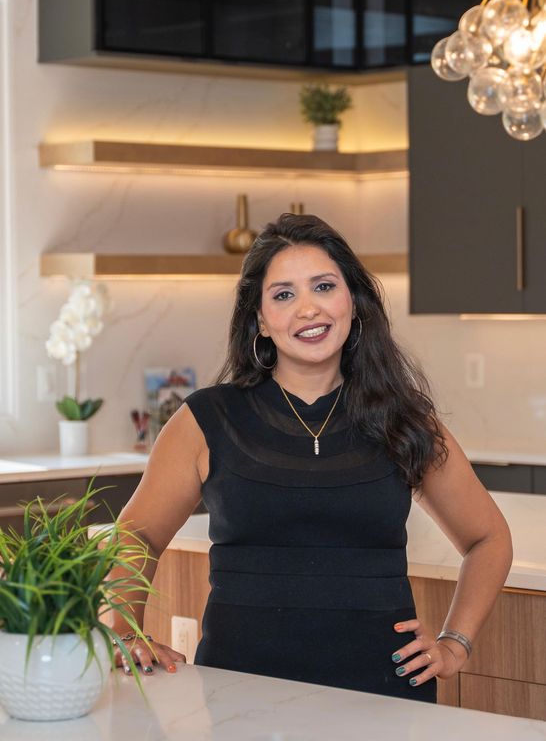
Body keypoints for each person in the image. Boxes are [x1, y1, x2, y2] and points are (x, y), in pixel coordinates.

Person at [113, 213, 512, 703]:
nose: (308, 309)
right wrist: (124, 631)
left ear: (353, 301)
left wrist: (456, 642)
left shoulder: (403, 418)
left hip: (385, 694)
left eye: (323, 286)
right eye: (283, 295)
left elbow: (488, 537)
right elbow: (137, 535)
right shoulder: (207, 418)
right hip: (243, 695)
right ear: (260, 318)